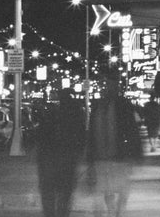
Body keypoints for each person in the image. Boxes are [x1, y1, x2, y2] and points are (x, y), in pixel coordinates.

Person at [87, 72, 143, 217]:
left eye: (112, 84)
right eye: (108, 84)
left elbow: (132, 129)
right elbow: (92, 132)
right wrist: (90, 157)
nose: (109, 87)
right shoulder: (99, 106)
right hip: (102, 156)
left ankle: (118, 210)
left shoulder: (123, 105)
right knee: (106, 188)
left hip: (119, 155)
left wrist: (135, 152)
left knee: (121, 187)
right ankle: (112, 211)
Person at [37, 88, 86, 217]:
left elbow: (43, 137)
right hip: (66, 158)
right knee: (64, 193)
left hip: (52, 159)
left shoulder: (52, 113)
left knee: (50, 193)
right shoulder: (75, 113)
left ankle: (52, 213)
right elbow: (80, 136)